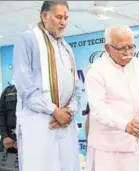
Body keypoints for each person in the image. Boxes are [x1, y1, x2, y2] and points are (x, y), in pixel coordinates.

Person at [85, 24, 139, 171]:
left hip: (136, 143)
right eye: (122, 48)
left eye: (131, 47)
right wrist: (125, 124)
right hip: (108, 149)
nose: (128, 53)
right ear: (107, 48)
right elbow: (99, 110)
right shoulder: (96, 71)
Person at [13, 1, 81, 171]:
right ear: (44, 16)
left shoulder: (67, 47)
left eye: (66, 17)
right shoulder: (27, 40)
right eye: (59, 17)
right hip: (39, 121)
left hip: (65, 121)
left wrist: (69, 111)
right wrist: (54, 111)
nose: (63, 22)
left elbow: (76, 87)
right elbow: (25, 88)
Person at [0, 84, 18, 154]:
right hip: (9, 141)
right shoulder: (7, 92)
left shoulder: (37, 93)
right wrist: (5, 136)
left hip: (30, 142)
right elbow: (1, 114)